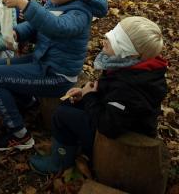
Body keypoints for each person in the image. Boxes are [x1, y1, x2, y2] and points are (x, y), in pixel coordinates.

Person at [0, 0, 108, 151]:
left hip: (57, 75)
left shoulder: (80, 13)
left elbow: (57, 27)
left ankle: (19, 134)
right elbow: (37, 25)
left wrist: (24, 4)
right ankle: (27, 101)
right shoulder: (55, 2)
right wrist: (18, 32)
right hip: (41, 61)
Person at [29, 16, 168, 175]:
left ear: (129, 52)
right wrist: (84, 92)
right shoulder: (132, 68)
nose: (107, 36)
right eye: (113, 31)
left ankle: (59, 162)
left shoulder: (131, 87)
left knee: (62, 115)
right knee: (70, 104)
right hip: (118, 117)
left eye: (117, 38)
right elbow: (113, 90)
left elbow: (109, 125)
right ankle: (71, 144)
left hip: (124, 135)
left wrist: (89, 97)